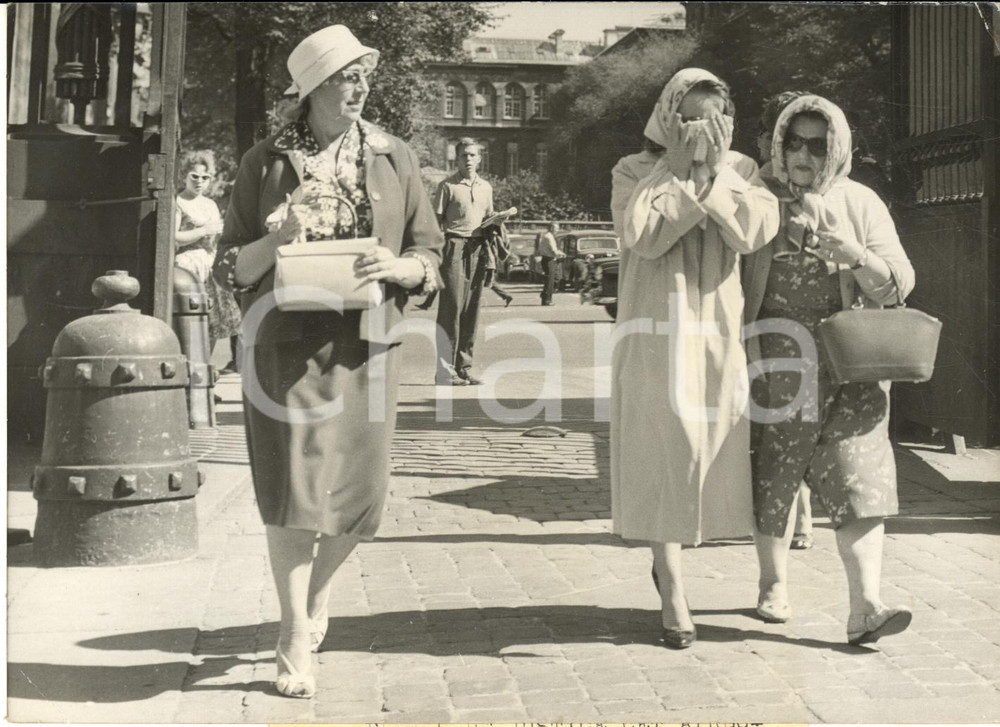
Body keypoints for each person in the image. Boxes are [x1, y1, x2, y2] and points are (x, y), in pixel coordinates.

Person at [212, 24, 443, 699]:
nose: (359, 86)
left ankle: (316, 596)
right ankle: (292, 633)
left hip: (368, 341)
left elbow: (431, 252)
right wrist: (278, 235)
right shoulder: (263, 161)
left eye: (363, 75)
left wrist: (396, 263)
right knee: (292, 490)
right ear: (311, 88)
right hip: (285, 344)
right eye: (345, 76)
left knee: (361, 498)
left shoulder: (395, 155)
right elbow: (233, 267)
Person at [609, 68, 780, 649]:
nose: (700, 131)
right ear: (668, 118)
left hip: (717, 330)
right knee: (664, 445)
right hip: (656, 328)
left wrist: (716, 176)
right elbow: (645, 235)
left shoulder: (745, 172)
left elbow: (753, 231)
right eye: (690, 119)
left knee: (708, 445)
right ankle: (674, 589)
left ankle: (683, 563)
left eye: (712, 120)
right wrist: (679, 171)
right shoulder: (634, 170)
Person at [743, 94, 915, 645]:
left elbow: (900, 282)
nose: (804, 153)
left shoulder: (860, 201)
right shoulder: (759, 198)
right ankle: (773, 583)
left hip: (851, 359)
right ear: (779, 144)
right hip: (778, 355)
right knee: (776, 469)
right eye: (794, 142)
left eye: (818, 144)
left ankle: (866, 606)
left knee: (859, 474)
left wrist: (856, 256)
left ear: (836, 149)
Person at [756, 91, 815, 551]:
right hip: (766, 325)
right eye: (788, 138)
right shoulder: (755, 186)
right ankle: (786, 519)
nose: (801, 152)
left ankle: (803, 512)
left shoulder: (830, 187)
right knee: (776, 430)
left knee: (804, 422)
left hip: (814, 328)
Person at [433, 138, 495, 385]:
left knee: (472, 309)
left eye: (472, 155)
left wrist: (497, 221)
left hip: (478, 247)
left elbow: (488, 216)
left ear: (479, 159)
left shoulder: (486, 187)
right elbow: (434, 222)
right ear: (456, 159)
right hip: (454, 245)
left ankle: (464, 367)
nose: (468, 159)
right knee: (451, 310)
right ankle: (444, 370)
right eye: (463, 156)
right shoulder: (447, 186)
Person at [174, 151, 243, 359]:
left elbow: (219, 235)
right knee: (190, 319)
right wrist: (203, 231)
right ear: (185, 175)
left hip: (210, 264)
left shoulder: (210, 204)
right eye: (194, 176)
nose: (199, 182)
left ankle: (205, 370)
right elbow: (174, 238)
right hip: (187, 265)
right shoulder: (178, 202)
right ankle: (188, 372)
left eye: (205, 178)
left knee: (213, 321)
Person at [537, 221, 563, 306]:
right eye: (556, 228)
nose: (557, 230)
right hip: (549, 259)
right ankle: (547, 300)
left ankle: (544, 296)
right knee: (550, 280)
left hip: (547, 259)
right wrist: (562, 254)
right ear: (551, 228)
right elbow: (554, 250)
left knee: (550, 279)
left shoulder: (547, 236)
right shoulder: (549, 237)